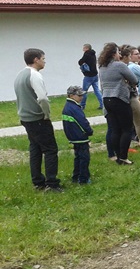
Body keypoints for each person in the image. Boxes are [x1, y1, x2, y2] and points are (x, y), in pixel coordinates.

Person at [14, 48, 63, 192]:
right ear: (36, 60)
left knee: (35, 148)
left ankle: (37, 181)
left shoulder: (20, 75)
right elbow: (42, 98)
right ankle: (52, 184)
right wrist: (46, 114)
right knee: (50, 149)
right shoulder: (34, 75)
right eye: (43, 59)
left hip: (25, 118)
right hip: (37, 118)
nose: (44, 62)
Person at [98, 42, 138, 165]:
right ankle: (124, 157)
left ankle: (118, 156)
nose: (119, 55)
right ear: (113, 54)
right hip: (119, 98)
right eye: (118, 52)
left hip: (107, 99)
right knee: (127, 129)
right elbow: (134, 79)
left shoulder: (102, 67)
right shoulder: (119, 65)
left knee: (115, 129)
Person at [62, 85, 93, 184]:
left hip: (73, 137)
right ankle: (83, 178)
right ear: (71, 96)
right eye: (79, 95)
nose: (81, 97)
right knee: (84, 158)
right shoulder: (75, 108)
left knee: (78, 157)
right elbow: (83, 122)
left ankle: (76, 176)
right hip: (80, 137)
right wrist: (89, 131)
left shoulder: (67, 107)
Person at [121, 46, 140, 149]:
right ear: (130, 55)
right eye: (136, 54)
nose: (139, 55)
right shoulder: (134, 67)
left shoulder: (127, 67)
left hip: (136, 93)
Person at [78, 43, 104, 110]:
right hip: (95, 75)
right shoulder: (93, 54)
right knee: (97, 90)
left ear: (87, 48)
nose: (83, 49)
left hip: (88, 76)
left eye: (84, 48)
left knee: (84, 91)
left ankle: (82, 105)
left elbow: (80, 62)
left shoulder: (86, 54)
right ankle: (102, 104)